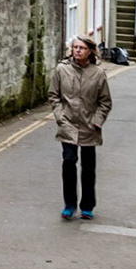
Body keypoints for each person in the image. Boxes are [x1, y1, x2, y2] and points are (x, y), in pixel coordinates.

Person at [51, 36, 113, 220]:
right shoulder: (61, 69)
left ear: (89, 51)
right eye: (75, 47)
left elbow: (105, 102)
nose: (77, 51)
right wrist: (61, 117)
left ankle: (87, 206)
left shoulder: (98, 74)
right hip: (68, 124)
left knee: (88, 167)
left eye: (82, 48)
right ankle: (69, 205)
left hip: (89, 126)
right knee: (69, 161)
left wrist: (97, 121)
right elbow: (54, 96)